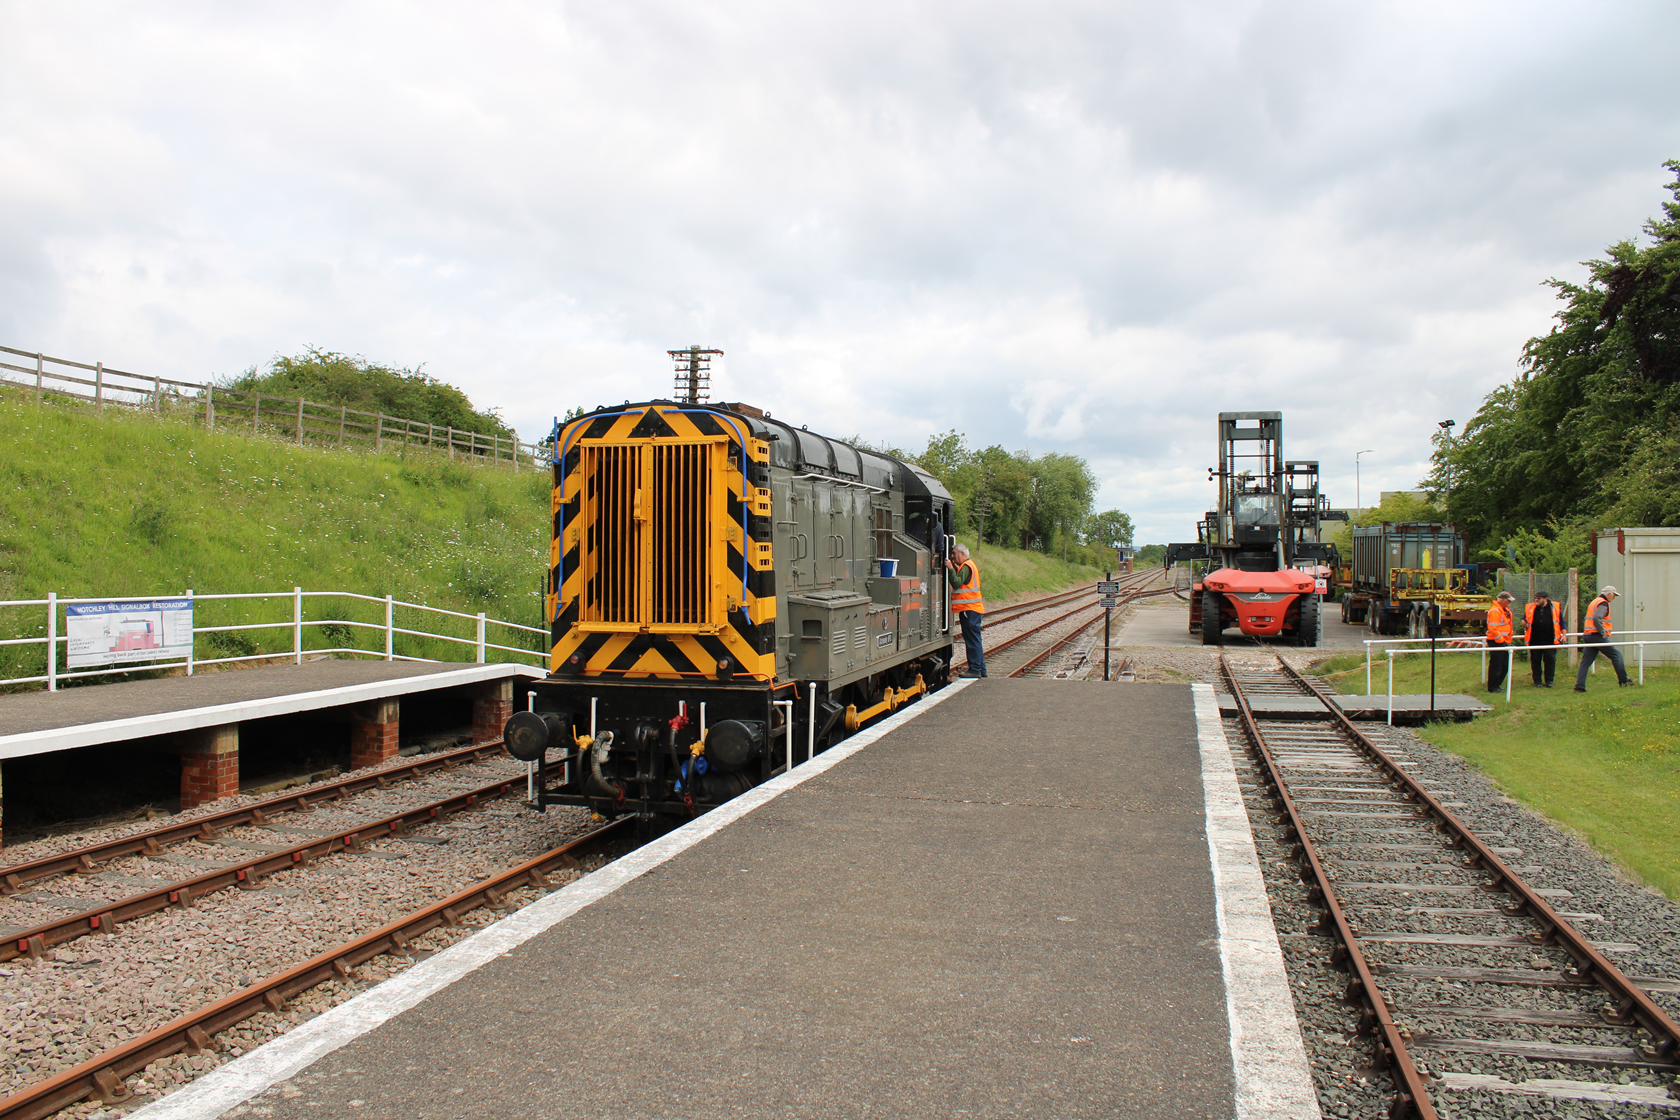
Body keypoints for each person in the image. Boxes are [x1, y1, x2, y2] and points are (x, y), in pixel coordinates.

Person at [1574, 585, 1630, 692]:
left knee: (1585, 662)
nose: (1614, 598)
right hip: (1597, 636)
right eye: (1614, 595)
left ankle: (1579, 686)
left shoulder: (1594, 601)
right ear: (1609, 594)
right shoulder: (1603, 603)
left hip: (1588, 635)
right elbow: (1597, 618)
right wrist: (1603, 632)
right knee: (1616, 655)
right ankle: (1624, 680)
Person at [946, 542, 986, 678]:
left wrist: (950, 569)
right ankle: (981, 669)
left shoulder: (966, 566)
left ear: (962, 553)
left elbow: (956, 583)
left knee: (972, 640)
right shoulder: (970, 565)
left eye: (954, 553)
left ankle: (974, 669)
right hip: (973, 609)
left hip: (969, 610)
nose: (952, 556)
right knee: (976, 639)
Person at [1524, 589, 1563, 688]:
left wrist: (1564, 634)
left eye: (1539, 598)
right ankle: (1537, 681)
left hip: (1550, 639)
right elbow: (1525, 619)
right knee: (1535, 661)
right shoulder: (1530, 608)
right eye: (1535, 598)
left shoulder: (1554, 608)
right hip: (1535, 639)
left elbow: (1562, 622)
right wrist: (1523, 622)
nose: (1536, 600)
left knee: (1550, 661)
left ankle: (1549, 681)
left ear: (1545, 599)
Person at [1485, 590, 1515, 693]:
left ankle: (1496, 685)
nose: (1510, 603)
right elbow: (1493, 628)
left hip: (1502, 641)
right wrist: (1500, 640)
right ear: (1502, 600)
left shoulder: (1503, 610)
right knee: (1497, 665)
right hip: (1496, 641)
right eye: (1508, 601)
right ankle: (1493, 687)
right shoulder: (1495, 611)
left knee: (1504, 665)